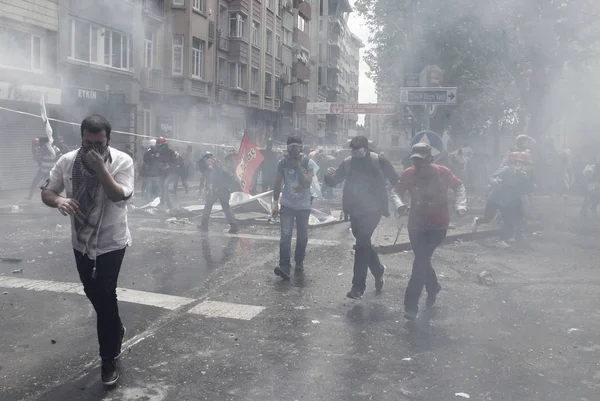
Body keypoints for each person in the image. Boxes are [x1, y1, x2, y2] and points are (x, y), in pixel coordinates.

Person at [41, 115, 134, 386]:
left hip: (111, 241)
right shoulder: (68, 161)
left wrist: (102, 169)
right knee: (92, 292)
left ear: (108, 140)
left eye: (99, 143)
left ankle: (108, 359)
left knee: (105, 295)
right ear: (80, 139)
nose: (93, 149)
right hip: (81, 241)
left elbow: (118, 195)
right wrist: (58, 199)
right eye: (87, 143)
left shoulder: (122, 161)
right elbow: (47, 191)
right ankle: (115, 329)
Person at [393, 143, 467, 320]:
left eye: (422, 161)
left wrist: (461, 206)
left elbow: (459, 186)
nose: (419, 165)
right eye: (416, 161)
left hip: (438, 225)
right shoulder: (409, 173)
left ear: (430, 159)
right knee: (422, 260)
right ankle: (433, 287)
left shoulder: (443, 172)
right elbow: (396, 191)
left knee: (420, 262)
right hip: (416, 225)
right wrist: (400, 205)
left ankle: (410, 306)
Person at [324, 136, 400, 299]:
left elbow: (396, 180)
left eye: (358, 149)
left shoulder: (378, 160)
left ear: (365, 149)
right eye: (353, 149)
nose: (355, 152)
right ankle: (379, 270)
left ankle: (358, 287)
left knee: (361, 244)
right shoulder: (348, 162)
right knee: (364, 244)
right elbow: (335, 181)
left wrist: (403, 202)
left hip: (374, 209)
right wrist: (328, 176)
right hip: (355, 209)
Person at [271, 136, 317, 280]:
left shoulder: (308, 163)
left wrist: (297, 166)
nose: (293, 149)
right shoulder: (282, 162)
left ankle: (299, 262)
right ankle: (284, 265)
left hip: (303, 206)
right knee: (285, 235)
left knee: (302, 236)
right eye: (290, 147)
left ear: (301, 148)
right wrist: (274, 202)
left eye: (296, 146)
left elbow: (308, 182)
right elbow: (278, 182)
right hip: (287, 205)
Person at [472, 152, 533, 247]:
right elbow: (491, 177)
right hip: (495, 198)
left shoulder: (523, 176)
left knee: (508, 220)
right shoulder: (505, 170)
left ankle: (502, 240)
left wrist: (525, 200)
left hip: (507, 201)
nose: (518, 165)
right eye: (516, 162)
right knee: (488, 218)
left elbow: (524, 190)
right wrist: (495, 181)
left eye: (520, 163)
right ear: (511, 163)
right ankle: (477, 221)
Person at [197, 151, 239, 233]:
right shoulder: (218, 162)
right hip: (224, 187)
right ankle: (234, 226)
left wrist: (213, 185)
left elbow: (212, 172)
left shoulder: (209, 161)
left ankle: (204, 225)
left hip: (216, 187)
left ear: (205, 157)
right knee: (226, 207)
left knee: (208, 206)